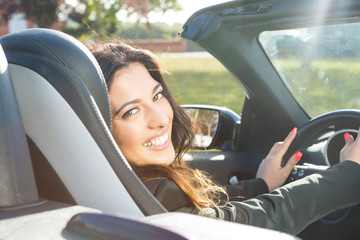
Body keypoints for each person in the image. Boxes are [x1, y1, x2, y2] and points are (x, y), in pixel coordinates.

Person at [87, 40, 360, 235]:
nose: (160, 119)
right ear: (97, 127)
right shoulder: (156, 192)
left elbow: (208, 215)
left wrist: (261, 185)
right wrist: (350, 171)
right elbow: (252, 225)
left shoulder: (105, 189)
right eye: (131, 111)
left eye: (157, 96)